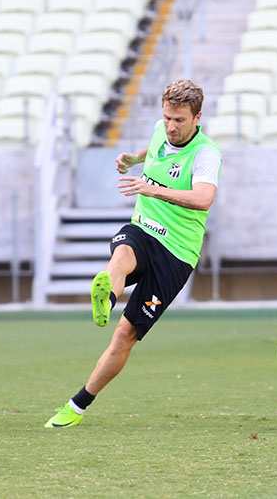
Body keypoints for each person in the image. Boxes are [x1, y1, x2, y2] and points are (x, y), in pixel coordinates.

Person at [45, 80, 222, 428]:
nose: (171, 126)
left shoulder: (206, 153)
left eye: (180, 120)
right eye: (168, 117)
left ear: (197, 118)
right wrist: (133, 159)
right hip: (145, 227)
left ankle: (76, 406)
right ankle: (106, 300)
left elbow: (203, 199)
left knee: (125, 336)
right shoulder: (161, 129)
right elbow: (154, 148)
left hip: (176, 253)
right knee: (123, 253)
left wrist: (153, 189)